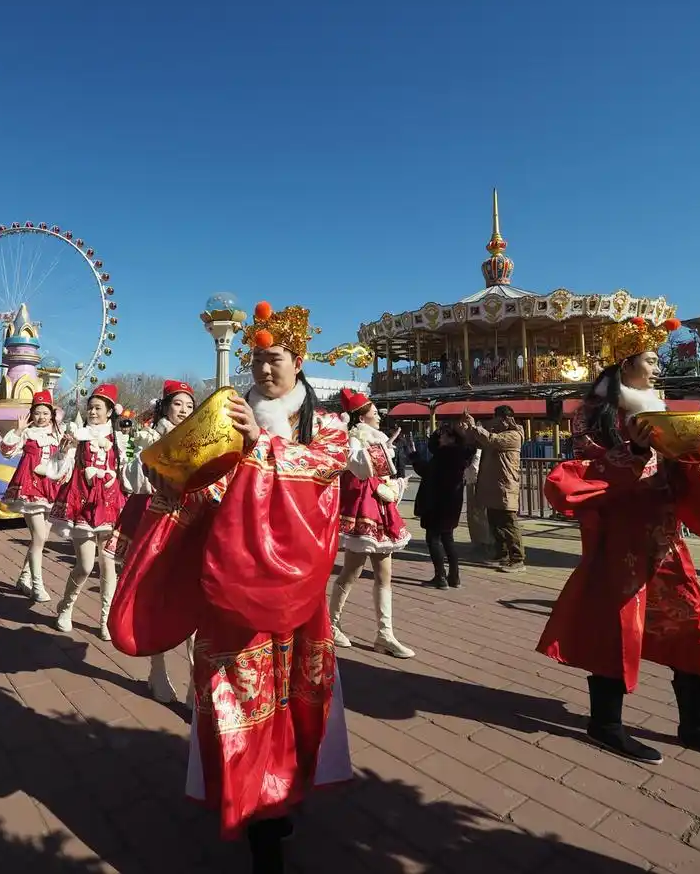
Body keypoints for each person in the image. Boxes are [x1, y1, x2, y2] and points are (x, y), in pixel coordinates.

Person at [108, 300, 351, 873]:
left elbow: (324, 471)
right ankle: (257, 816)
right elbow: (207, 489)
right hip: (231, 587)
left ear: (299, 362)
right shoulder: (229, 419)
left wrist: (261, 448)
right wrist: (174, 492)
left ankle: (282, 793)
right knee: (237, 699)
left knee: (293, 702)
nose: (266, 370)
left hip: (294, 591)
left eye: (277, 360)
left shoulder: (325, 426)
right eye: (259, 360)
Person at [536, 316, 700, 768]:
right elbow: (588, 473)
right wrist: (637, 453)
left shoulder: (659, 409)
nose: (659, 365)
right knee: (618, 626)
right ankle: (606, 724)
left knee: (692, 623)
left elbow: (678, 471)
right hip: (619, 537)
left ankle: (699, 727)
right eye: (652, 358)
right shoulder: (595, 414)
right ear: (627, 363)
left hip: (664, 536)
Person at [109, 379, 197, 702]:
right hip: (154, 521)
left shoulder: (199, 439)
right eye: (178, 405)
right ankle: (157, 672)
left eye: (189, 407)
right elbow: (130, 479)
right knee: (153, 595)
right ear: (165, 405)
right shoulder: (149, 437)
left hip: (190, 525)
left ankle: (194, 678)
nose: (184, 411)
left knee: (193, 597)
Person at [329, 388, 414, 658]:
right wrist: (379, 455)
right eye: (375, 412)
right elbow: (358, 469)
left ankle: (385, 634)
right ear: (361, 417)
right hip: (364, 510)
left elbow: (382, 473)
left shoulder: (377, 440)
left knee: (384, 574)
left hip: (381, 509)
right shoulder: (353, 440)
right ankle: (332, 624)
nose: (379, 416)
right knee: (352, 571)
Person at [48, 383, 128, 639]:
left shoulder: (119, 440)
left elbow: (127, 473)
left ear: (109, 412)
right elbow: (59, 469)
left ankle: (105, 619)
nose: (93, 412)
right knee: (83, 565)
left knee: (108, 566)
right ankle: (66, 606)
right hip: (81, 503)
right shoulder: (77, 436)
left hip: (109, 505)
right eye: (90, 408)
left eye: (98, 408)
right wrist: (62, 451)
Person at [0, 391, 67, 604]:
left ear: (52, 414)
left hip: (52, 488)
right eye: (37, 413)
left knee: (41, 538)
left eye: (45, 413)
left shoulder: (59, 434)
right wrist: (18, 431)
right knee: (39, 536)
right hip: (29, 489)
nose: (41, 417)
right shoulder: (27, 434)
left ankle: (24, 577)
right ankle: (38, 585)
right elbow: (6, 451)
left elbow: (63, 461)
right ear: (31, 414)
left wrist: (65, 453)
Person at [459, 405, 525, 572]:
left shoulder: (514, 435)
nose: (494, 421)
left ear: (506, 419)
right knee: (495, 524)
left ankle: (517, 559)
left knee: (508, 523)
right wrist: (468, 430)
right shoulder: (496, 433)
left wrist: (475, 427)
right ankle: (501, 554)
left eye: (497, 418)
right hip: (492, 486)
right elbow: (478, 441)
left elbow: (491, 440)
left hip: (505, 486)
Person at [411, 424, 475, 589]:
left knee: (433, 539)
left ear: (452, 438)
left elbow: (427, 471)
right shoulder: (460, 454)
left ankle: (440, 577)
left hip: (437, 502)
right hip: (452, 503)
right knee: (448, 539)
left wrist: (414, 457)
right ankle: (454, 577)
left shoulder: (445, 455)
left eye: (444, 436)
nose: (440, 439)